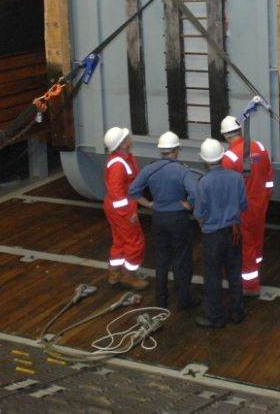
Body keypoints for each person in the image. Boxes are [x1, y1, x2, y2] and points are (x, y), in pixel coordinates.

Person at [128, 131, 201, 310]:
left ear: (161, 150)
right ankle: (184, 300)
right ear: (176, 150)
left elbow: (133, 191)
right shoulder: (182, 170)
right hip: (178, 219)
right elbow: (196, 192)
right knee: (181, 259)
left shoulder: (149, 169)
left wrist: (149, 204)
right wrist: (189, 205)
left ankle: (161, 300)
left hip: (158, 218)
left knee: (161, 259)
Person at [193, 138, 248, 328]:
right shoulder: (237, 178)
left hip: (213, 236)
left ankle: (215, 317)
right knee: (234, 273)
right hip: (233, 233)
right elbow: (243, 205)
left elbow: (199, 213)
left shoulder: (204, 183)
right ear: (222, 155)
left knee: (213, 276)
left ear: (205, 160)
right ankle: (237, 312)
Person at [219, 115, 274, 297]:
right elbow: (268, 177)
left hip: (242, 208)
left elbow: (226, 189)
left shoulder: (229, 158)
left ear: (226, 136)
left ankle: (250, 286)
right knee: (257, 240)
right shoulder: (258, 147)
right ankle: (255, 271)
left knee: (246, 245)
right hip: (260, 204)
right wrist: (265, 198)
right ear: (240, 130)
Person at [102, 126, 148, 290]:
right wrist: (128, 214)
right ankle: (129, 276)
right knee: (135, 242)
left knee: (120, 240)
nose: (129, 136)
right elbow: (117, 194)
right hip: (122, 208)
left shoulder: (122, 159)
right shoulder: (119, 165)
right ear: (122, 144)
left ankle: (114, 273)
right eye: (126, 136)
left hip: (117, 207)